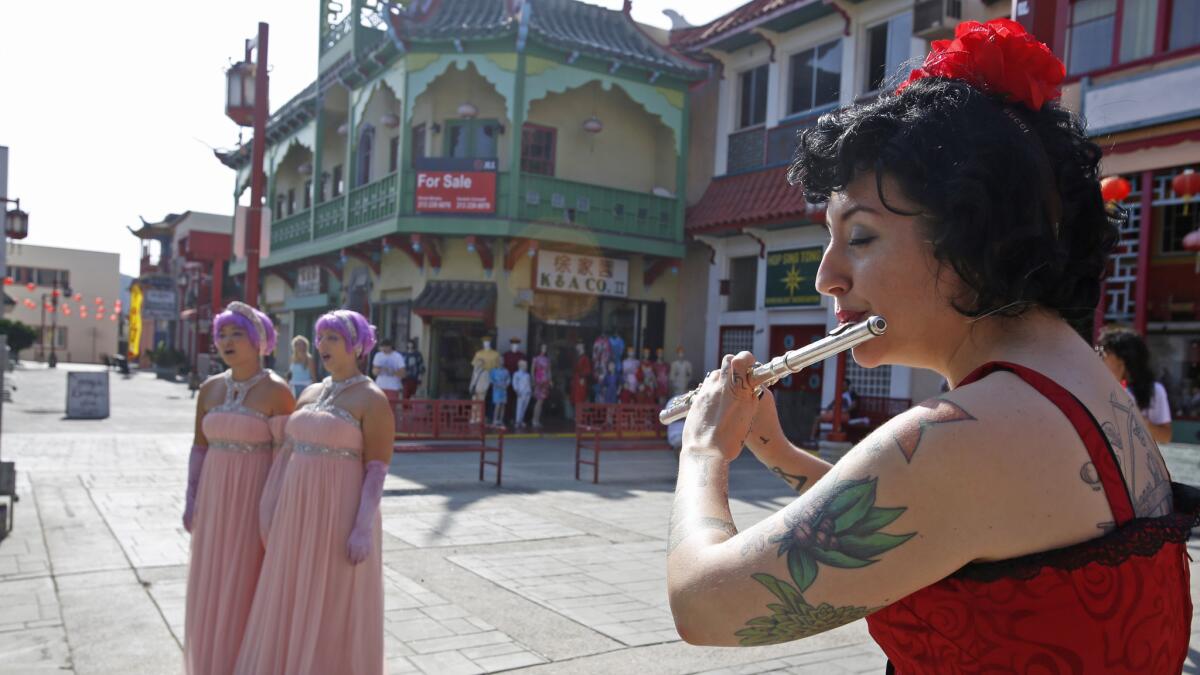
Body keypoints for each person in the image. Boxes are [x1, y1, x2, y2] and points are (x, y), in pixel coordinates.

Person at [665, 20, 1198, 672]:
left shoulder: (967, 434)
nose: (828, 275)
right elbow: (923, 520)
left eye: (858, 237)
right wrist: (775, 448)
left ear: (972, 236)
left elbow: (703, 604)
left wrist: (702, 448)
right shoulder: (1080, 386)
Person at [236, 309, 393, 675]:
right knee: (292, 594)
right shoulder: (308, 391)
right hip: (297, 510)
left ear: (356, 346)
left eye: (333, 338)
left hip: (339, 514)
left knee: (333, 599)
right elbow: (285, 449)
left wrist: (361, 528)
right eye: (320, 338)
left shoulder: (372, 399)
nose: (322, 345)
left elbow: (377, 469)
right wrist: (271, 505)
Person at [183, 301, 294, 675]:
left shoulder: (278, 392)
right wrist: (191, 498)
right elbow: (199, 448)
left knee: (246, 582)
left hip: (253, 503)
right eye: (222, 334)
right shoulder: (209, 389)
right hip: (214, 502)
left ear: (259, 341)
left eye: (237, 334)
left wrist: (276, 512)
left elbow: (285, 459)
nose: (226, 341)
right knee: (210, 583)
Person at [1096, 326, 1173, 444]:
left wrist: (1138, 420)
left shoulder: (1155, 391)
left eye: (1104, 353)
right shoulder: (1097, 388)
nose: (1099, 358)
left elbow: (1165, 437)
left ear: (1123, 360)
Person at [371, 338, 405, 406]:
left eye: (385, 347)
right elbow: (374, 371)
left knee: (391, 408)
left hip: (393, 387)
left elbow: (403, 373)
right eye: (382, 347)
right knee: (378, 407)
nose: (383, 349)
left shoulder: (397, 356)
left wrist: (393, 372)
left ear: (390, 347)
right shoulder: (378, 355)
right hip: (380, 386)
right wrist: (378, 370)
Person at [512, 359, 532, 430]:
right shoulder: (516, 374)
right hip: (520, 392)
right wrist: (516, 391)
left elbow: (529, 383)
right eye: (524, 365)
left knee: (524, 407)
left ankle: (521, 420)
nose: (526, 366)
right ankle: (517, 421)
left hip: (527, 392)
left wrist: (530, 391)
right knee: (519, 407)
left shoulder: (527, 374)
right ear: (520, 366)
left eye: (526, 365)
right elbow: (514, 383)